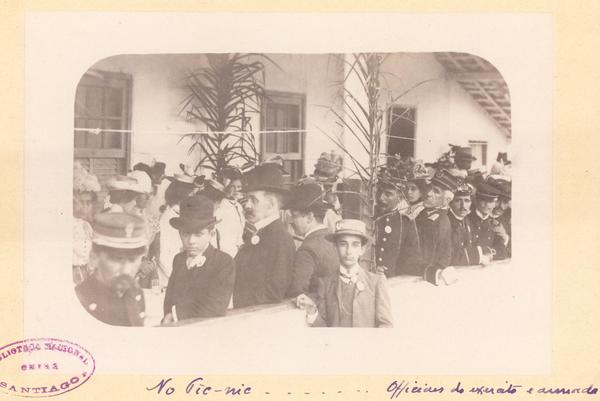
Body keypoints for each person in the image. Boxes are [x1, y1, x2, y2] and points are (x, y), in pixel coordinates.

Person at [296, 219, 393, 328]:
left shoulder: (376, 282)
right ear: (335, 248)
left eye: (355, 245)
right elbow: (323, 329)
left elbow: (386, 326)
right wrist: (312, 310)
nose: (349, 251)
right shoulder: (325, 284)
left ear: (362, 249)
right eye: (343, 244)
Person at [162, 195, 236, 323]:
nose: (191, 241)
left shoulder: (223, 262)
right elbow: (169, 299)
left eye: (198, 234)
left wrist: (173, 315)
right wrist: (168, 314)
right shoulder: (179, 259)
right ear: (180, 233)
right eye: (186, 234)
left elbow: (214, 307)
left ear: (211, 234)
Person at [233, 164, 296, 308]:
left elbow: (273, 293)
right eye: (246, 199)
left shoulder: (281, 240)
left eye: (253, 200)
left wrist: (231, 300)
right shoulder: (259, 234)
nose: (247, 206)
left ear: (271, 204)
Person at [75, 212, 148, 326]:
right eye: (118, 259)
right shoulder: (80, 300)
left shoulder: (135, 293)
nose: (126, 270)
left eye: (133, 260)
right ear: (94, 257)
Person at [402, 169, 459, 285]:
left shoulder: (440, 222)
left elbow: (428, 259)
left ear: (446, 200)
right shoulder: (423, 214)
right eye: (430, 188)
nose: (428, 194)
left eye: (436, 191)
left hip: (424, 280)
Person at [285, 183, 339, 298]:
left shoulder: (307, 249)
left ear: (310, 217)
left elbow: (297, 291)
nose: (291, 221)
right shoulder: (334, 240)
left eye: (295, 216)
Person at [156, 173, 202, 288]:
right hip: (171, 280)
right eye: (191, 194)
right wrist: (180, 281)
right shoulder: (169, 218)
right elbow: (164, 255)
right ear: (181, 195)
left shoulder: (180, 214)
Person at [374, 168, 420, 278]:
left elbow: (411, 258)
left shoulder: (406, 222)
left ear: (400, 197)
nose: (381, 198)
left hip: (392, 281)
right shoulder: (369, 217)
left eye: (388, 194)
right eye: (379, 191)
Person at [448, 183, 492, 266]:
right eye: (458, 200)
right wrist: (478, 257)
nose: (463, 206)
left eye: (467, 201)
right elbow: (447, 256)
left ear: (471, 203)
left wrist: (485, 252)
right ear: (450, 203)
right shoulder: (447, 222)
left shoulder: (467, 220)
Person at [200, 178, 245, 258]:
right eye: (232, 186)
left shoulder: (239, 206)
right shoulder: (223, 206)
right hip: (222, 249)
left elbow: (239, 229)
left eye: (238, 187)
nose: (235, 190)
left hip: (234, 249)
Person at [73, 162, 101, 285]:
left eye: (89, 203)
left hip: (85, 277)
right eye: (82, 202)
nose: (86, 207)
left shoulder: (86, 225)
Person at [469, 182, 508, 259]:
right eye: (483, 201)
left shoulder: (494, 224)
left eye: (490, 202)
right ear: (476, 200)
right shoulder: (467, 220)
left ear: (494, 204)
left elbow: (502, 252)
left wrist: (489, 255)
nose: (487, 205)